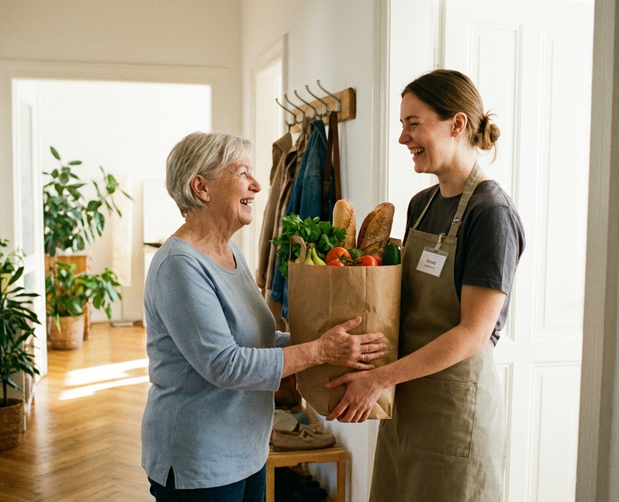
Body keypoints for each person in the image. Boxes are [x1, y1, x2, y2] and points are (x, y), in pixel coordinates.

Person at [141, 131, 387, 502]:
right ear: (201, 187)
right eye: (243, 173)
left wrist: (332, 342)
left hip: (248, 450)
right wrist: (320, 351)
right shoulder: (179, 266)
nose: (257, 186)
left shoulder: (231, 253)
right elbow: (225, 365)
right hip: (200, 462)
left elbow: (257, 339)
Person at [326, 70, 526, 501]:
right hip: (404, 406)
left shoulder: (491, 214)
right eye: (402, 125)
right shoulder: (421, 204)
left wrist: (378, 380)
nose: (403, 138)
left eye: (413, 124)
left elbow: (473, 333)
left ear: (457, 124)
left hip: (454, 415)